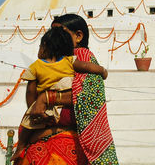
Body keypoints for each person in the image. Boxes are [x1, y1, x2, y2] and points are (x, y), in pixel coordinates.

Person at [18, 13, 118, 165]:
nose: (55, 38)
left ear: (78, 36)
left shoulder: (81, 58)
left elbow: (86, 97)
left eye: (61, 33)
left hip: (67, 136)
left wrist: (47, 98)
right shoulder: (51, 61)